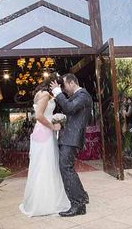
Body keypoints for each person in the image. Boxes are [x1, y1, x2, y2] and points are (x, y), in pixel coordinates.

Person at [19, 73, 70, 217]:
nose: (59, 88)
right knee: (46, 165)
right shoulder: (46, 95)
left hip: (41, 131)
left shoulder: (40, 93)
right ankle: (46, 202)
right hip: (45, 132)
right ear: (53, 83)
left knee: (42, 164)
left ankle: (42, 199)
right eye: (59, 85)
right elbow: (39, 116)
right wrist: (52, 126)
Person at [50, 73, 92, 217]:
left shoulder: (83, 95)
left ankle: (78, 204)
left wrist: (57, 92)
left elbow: (68, 108)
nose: (64, 89)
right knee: (68, 168)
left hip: (72, 138)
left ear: (72, 83)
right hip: (69, 137)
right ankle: (82, 196)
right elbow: (70, 110)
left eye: (65, 85)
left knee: (66, 169)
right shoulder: (78, 95)